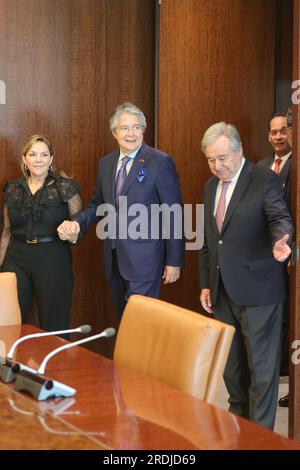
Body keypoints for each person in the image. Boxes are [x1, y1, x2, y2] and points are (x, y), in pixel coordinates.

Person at [199, 122, 293, 430]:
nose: (218, 166)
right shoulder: (210, 186)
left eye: (223, 158)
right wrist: (205, 284)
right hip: (222, 291)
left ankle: (261, 440)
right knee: (232, 371)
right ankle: (239, 433)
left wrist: (283, 240)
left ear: (239, 151)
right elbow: (210, 240)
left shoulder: (264, 179)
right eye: (211, 160)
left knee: (262, 374)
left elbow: (279, 217)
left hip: (259, 293)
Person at [57, 102, 184, 318]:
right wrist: (77, 223)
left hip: (145, 261)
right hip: (114, 259)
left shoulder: (160, 162)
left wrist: (174, 261)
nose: (131, 133)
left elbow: (173, 213)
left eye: (136, 127)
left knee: (140, 325)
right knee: (125, 321)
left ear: (143, 130)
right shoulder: (106, 163)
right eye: (124, 128)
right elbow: (98, 204)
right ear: (114, 132)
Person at [0, 135, 82, 331]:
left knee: (55, 324)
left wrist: (71, 234)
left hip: (53, 258)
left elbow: (79, 227)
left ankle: (55, 362)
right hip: (16, 258)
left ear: (51, 159)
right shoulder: (12, 189)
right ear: (24, 159)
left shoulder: (65, 187)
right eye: (33, 154)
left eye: (44, 154)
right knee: (5, 321)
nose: (39, 159)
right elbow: (6, 231)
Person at [259, 111, 292, 407]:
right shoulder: (261, 167)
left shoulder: (296, 163)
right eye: (273, 132)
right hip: (267, 259)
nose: (278, 136)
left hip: (290, 252)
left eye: (283, 130)